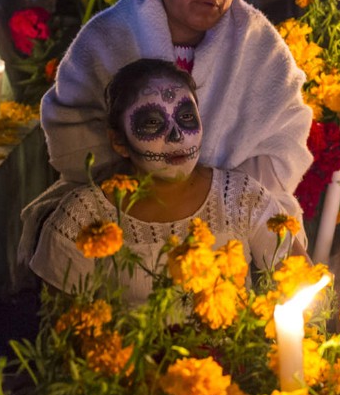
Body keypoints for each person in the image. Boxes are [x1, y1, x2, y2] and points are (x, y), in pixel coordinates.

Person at [19, 0, 312, 265]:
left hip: (233, 214)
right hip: (125, 206)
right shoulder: (109, 36)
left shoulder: (260, 46)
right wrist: (154, 189)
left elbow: (284, 144)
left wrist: (212, 196)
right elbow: (71, 133)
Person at [30, 59, 296, 304]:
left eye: (186, 117)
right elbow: (61, 336)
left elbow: (301, 284)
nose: (177, 136)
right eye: (153, 123)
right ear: (118, 141)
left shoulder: (242, 198)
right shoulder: (83, 219)